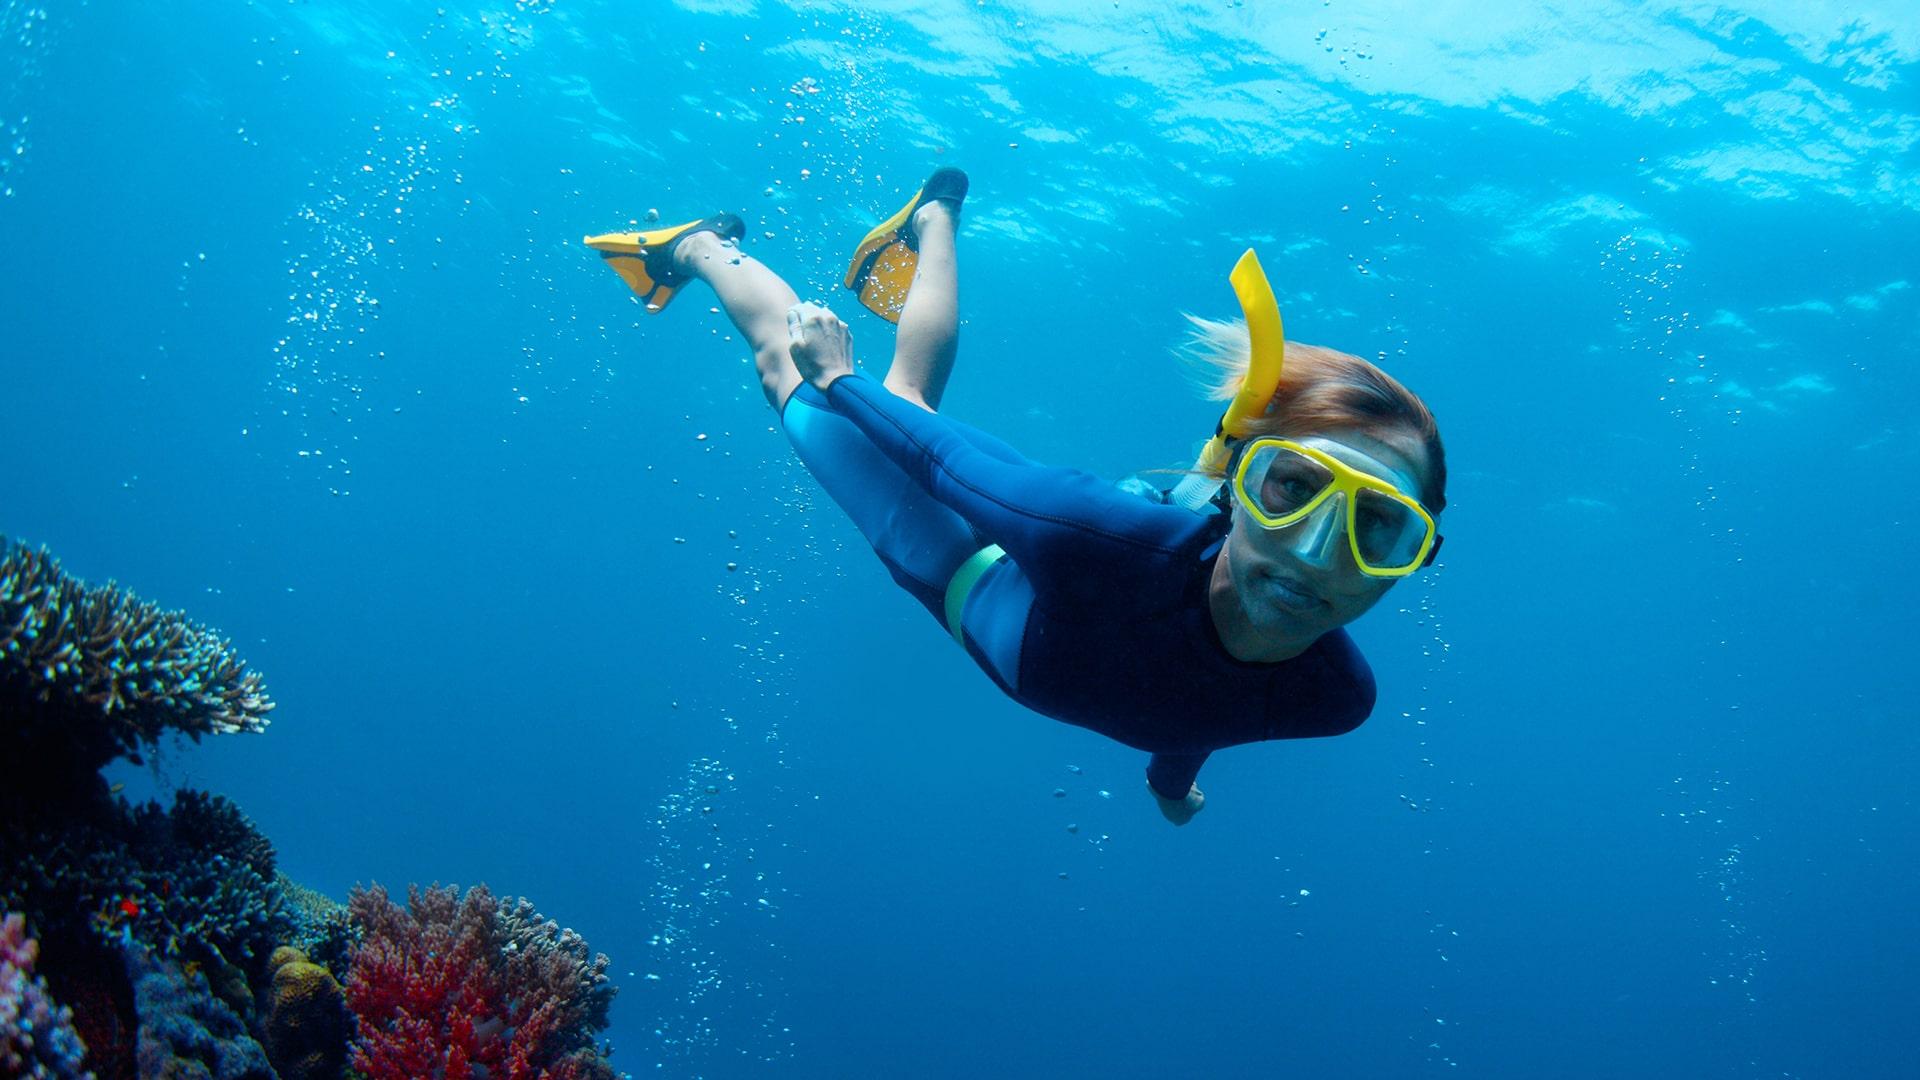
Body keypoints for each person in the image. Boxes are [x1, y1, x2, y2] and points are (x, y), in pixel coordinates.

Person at [584, 167, 1447, 826]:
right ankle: (699, 246)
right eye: (1292, 492)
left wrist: (1171, 781)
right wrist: (840, 380)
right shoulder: (1097, 541)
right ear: (1243, 490)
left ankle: (931, 218)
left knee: (911, 399)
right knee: (794, 376)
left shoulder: (1334, 699)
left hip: (1051, 579)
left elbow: (1212, 699)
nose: (1314, 551)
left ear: (1412, 566)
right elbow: (946, 468)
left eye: (1380, 529)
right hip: (960, 555)